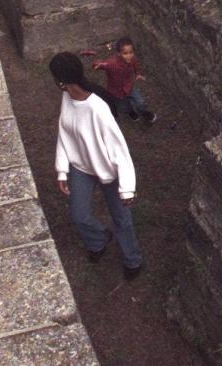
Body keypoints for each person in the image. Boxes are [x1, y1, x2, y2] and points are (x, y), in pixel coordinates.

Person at [51, 52, 143, 281]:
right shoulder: (67, 97)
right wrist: (62, 169)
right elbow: (65, 133)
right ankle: (99, 239)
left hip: (108, 172)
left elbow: (119, 149)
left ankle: (133, 259)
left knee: (122, 219)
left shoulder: (98, 109)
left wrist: (127, 188)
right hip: (81, 168)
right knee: (80, 215)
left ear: (61, 80)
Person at [93, 37, 156, 124]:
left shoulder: (132, 59)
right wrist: (97, 64)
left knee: (140, 102)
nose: (129, 55)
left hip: (129, 86)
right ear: (119, 53)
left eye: (131, 52)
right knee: (124, 106)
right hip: (116, 91)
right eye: (125, 53)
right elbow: (104, 64)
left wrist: (138, 74)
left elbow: (136, 66)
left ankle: (144, 112)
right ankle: (131, 112)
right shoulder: (112, 63)